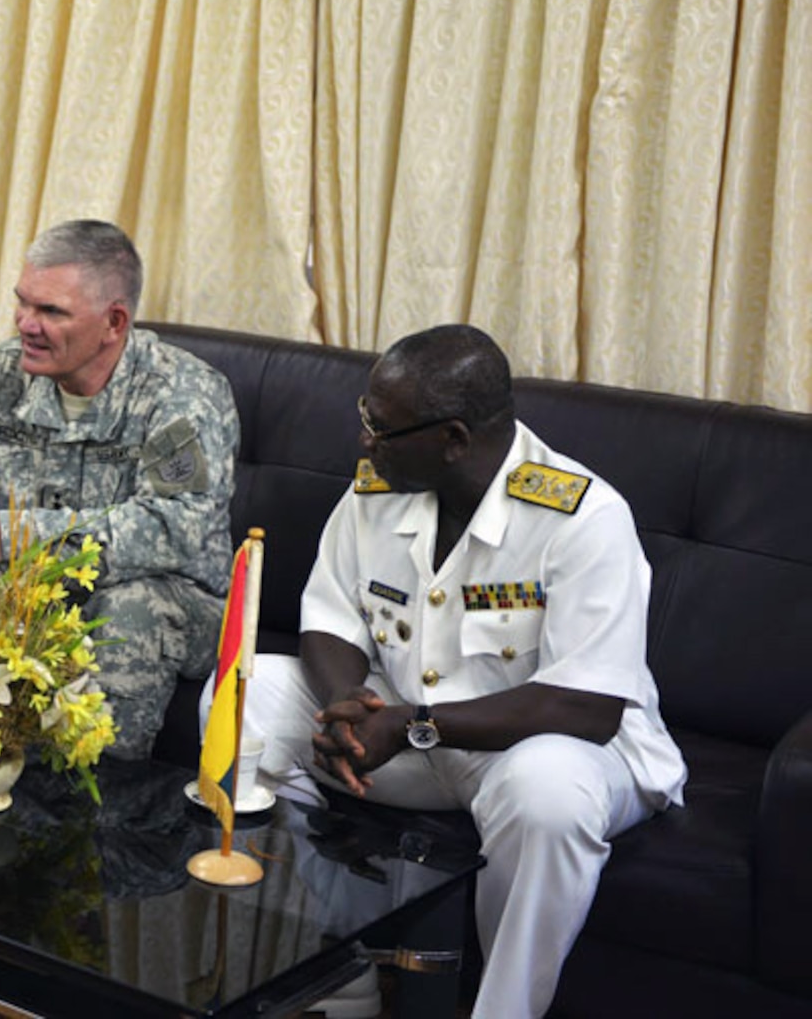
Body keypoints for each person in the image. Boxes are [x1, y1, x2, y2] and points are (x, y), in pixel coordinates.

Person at [205, 324, 686, 1017]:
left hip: (547, 752)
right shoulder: (379, 490)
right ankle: (337, 967)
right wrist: (346, 704)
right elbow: (331, 617)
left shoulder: (582, 518)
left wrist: (413, 725)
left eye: (381, 426)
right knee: (241, 703)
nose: (363, 440)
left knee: (545, 792)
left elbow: (586, 707)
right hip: (405, 733)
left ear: (453, 439)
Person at [0, 219, 239, 758]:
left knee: (133, 608)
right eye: (23, 303)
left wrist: (13, 536)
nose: (25, 324)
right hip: (26, 588)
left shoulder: (182, 394)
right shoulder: (5, 374)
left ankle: (96, 802)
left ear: (114, 322)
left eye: (50, 312)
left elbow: (175, 528)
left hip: (165, 600)